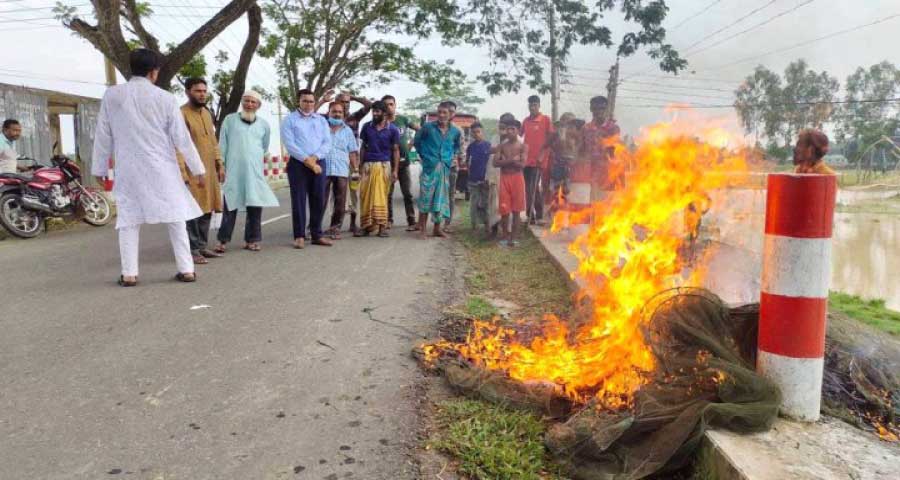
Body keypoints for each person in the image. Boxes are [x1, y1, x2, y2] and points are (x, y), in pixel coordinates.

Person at [91, 48, 206, 286]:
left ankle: (130, 274)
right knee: (176, 217)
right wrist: (198, 169)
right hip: (162, 166)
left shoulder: (112, 95)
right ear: (154, 72)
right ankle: (187, 269)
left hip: (129, 168)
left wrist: (100, 169)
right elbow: (181, 137)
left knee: (129, 219)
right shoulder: (165, 98)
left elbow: (103, 135)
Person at [215, 90, 279, 253]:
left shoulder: (264, 124)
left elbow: (264, 147)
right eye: (247, 101)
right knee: (230, 204)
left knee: (255, 205)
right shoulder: (230, 120)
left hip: (254, 172)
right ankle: (223, 241)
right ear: (242, 102)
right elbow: (222, 144)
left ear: (258, 105)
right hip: (233, 171)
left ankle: (252, 240)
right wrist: (221, 165)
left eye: (253, 102)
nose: (249, 104)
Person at [177, 77, 224, 265]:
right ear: (187, 92)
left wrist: (219, 163)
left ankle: (202, 246)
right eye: (198, 91)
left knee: (208, 207)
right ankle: (193, 249)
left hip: (209, 170)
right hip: (192, 171)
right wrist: (183, 173)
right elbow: (178, 146)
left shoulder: (206, 113)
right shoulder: (181, 114)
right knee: (193, 210)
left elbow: (213, 141)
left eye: (204, 91)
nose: (202, 94)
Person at [282, 88, 332, 249]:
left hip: (319, 162)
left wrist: (315, 158)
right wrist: (307, 161)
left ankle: (317, 234)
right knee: (298, 200)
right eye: (305, 101)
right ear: (299, 101)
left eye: (311, 101)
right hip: (298, 164)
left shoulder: (321, 120)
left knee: (318, 199)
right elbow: (290, 144)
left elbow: (327, 142)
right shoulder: (290, 120)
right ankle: (299, 236)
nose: (309, 104)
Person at [414, 101, 461, 239]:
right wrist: (424, 156)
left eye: (444, 112)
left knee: (441, 200)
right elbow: (417, 141)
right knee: (425, 197)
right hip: (430, 167)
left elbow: (456, 146)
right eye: (439, 112)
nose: (441, 115)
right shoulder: (428, 127)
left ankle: (436, 229)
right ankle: (422, 229)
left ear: (450, 115)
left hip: (445, 168)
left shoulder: (455, 131)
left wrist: (451, 156)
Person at [357, 101, 400, 237]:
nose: (375, 114)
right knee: (365, 196)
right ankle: (366, 227)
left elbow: (395, 150)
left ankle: (382, 227)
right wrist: (359, 166)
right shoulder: (366, 127)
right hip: (368, 166)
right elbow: (363, 147)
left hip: (384, 165)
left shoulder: (393, 129)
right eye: (373, 111)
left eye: (378, 112)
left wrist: (395, 171)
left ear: (385, 113)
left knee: (382, 197)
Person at [382, 95, 420, 231]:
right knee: (387, 194)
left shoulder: (403, 119)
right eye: (386, 105)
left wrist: (412, 143)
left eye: (391, 104)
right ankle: (388, 220)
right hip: (388, 163)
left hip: (404, 163)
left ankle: (411, 221)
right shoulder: (381, 122)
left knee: (407, 193)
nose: (389, 107)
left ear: (395, 105)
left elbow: (419, 129)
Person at [323, 101, 360, 239]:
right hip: (323, 169)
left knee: (340, 201)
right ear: (329, 112)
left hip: (341, 170)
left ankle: (335, 228)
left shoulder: (348, 130)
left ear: (344, 114)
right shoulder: (321, 127)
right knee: (320, 200)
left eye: (340, 112)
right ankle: (313, 228)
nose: (337, 114)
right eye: (334, 111)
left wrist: (355, 169)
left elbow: (352, 152)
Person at [493, 118, 527, 247]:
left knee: (517, 210)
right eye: (508, 129)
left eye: (513, 129)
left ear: (518, 131)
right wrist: (512, 160)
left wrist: (505, 160)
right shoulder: (501, 146)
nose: (510, 131)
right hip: (505, 178)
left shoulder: (523, 146)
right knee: (504, 209)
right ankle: (505, 237)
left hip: (517, 178)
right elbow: (495, 163)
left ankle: (514, 238)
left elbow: (522, 165)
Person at [521, 95, 554, 225]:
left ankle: (539, 215)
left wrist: (542, 153)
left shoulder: (545, 119)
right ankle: (530, 215)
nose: (532, 107)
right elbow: (519, 136)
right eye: (530, 104)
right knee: (527, 188)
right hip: (525, 160)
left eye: (535, 104)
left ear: (539, 105)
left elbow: (551, 137)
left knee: (533, 187)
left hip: (538, 160)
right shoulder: (525, 121)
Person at [582, 96, 620, 201]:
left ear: (606, 109)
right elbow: (583, 150)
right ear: (591, 109)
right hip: (591, 172)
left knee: (606, 205)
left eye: (601, 108)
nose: (598, 111)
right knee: (592, 204)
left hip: (607, 172)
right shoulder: (586, 128)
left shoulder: (613, 128)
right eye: (595, 109)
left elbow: (614, 151)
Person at [545, 112, 584, 218]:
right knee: (556, 191)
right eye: (565, 124)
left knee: (568, 191)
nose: (568, 127)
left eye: (571, 125)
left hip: (572, 167)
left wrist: (575, 159)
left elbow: (579, 151)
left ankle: (566, 216)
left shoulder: (578, 136)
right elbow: (547, 146)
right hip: (558, 165)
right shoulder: (556, 135)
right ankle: (556, 214)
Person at [466, 122, 492, 238]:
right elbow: (468, 163)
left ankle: (488, 226)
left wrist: (488, 178)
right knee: (474, 203)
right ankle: (474, 226)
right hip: (473, 180)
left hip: (485, 180)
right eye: (474, 132)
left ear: (482, 132)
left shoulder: (488, 146)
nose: (476, 134)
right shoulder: (470, 147)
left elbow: (491, 164)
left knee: (486, 204)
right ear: (471, 134)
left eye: (478, 132)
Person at [443, 101, 462, 232]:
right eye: (447, 110)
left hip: (451, 167)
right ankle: (437, 222)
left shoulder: (457, 130)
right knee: (436, 195)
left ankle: (447, 223)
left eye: (452, 111)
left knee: (450, 196)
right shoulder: (433, 127)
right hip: (436, 167)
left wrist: (454, 159)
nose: (450, 113)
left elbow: (461, 150)